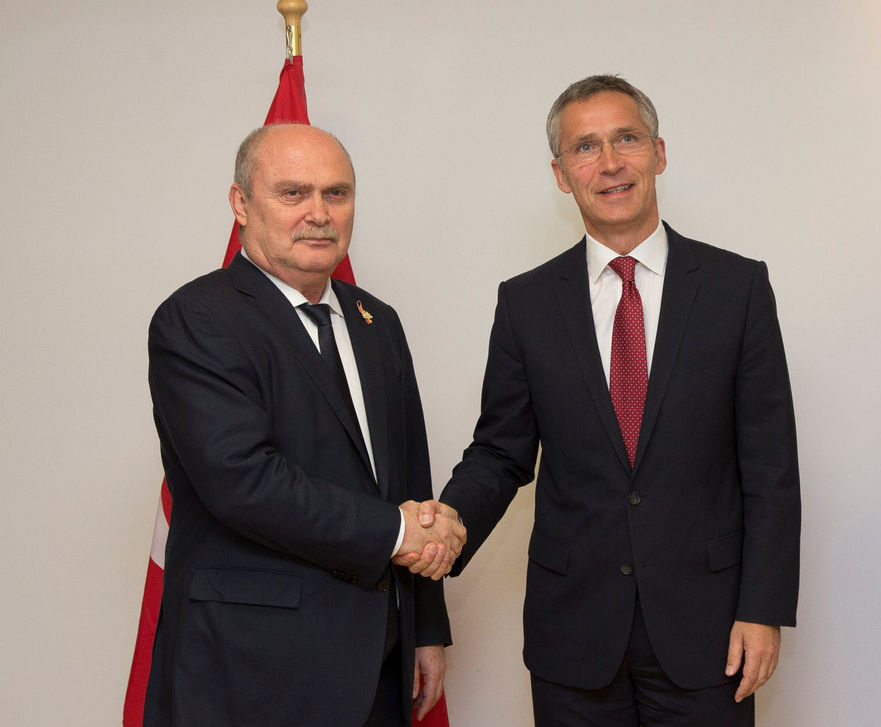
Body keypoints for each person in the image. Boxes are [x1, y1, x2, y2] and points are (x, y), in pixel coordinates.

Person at [428, 75, 801, 726]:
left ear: (659, 151)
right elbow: (500, 452)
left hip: (709, 631)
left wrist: (762, 605)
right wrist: (446, 527)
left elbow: (770, 465)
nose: (609, 163)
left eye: (626, 138)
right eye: (585, 147)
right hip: (573, 634)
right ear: (560, 172)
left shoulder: (736, 289)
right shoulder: (526, 304)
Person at [144, 123, 464, 727]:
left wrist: (426, 628)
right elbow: (243, 482)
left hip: (378, 661)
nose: (319, 214)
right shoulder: (197, 319)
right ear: (241, 204)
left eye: (336, 194)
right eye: (293, 193)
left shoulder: (378, 322)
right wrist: (398, 535)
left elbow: (409, 482)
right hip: (252, 669)